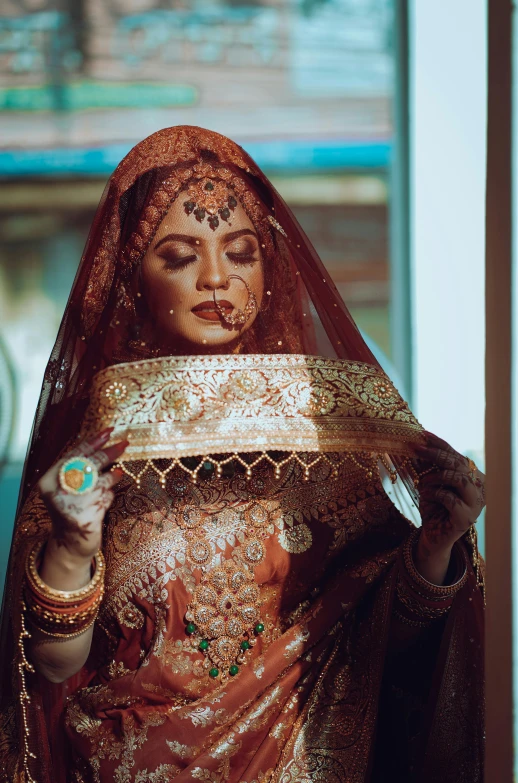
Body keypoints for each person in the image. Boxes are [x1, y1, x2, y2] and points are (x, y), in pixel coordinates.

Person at [0, 127, 485, 783]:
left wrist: (434, 549)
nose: (217, 276)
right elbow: (54, 669)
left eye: (241, 251)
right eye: (178, 255)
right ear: (131, 278)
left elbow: (382, 651)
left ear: (268, 265)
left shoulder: (320, 430)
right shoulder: (102, 444)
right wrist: (72, 542)